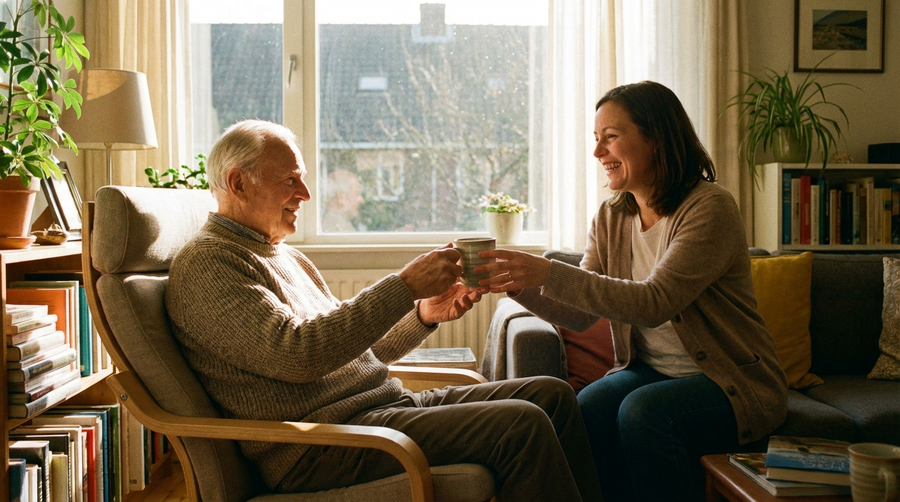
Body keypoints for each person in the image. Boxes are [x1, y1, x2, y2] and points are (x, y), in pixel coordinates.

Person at [165, 119, 603, 501]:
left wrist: (422, 315)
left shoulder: (284, 255)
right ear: (239, 183)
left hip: (376, 413)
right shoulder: (210, 263)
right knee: (521, 424)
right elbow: (299, 355)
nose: (306, 193)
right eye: (290, 179)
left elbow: (346, 353)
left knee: (552, 395)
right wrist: (403, 286)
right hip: (320, 446)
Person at [477, 81, 788, 502]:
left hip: (730, 379)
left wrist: (548, 271)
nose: (597, 152)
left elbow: (654, 302)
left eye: (610, 137)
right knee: (588, 406)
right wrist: (516, 285)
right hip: (653, 369)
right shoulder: (611, 216)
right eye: (596, 138)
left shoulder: (710, 208)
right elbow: (581, 314)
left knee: (642, 413)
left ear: (656, 139)